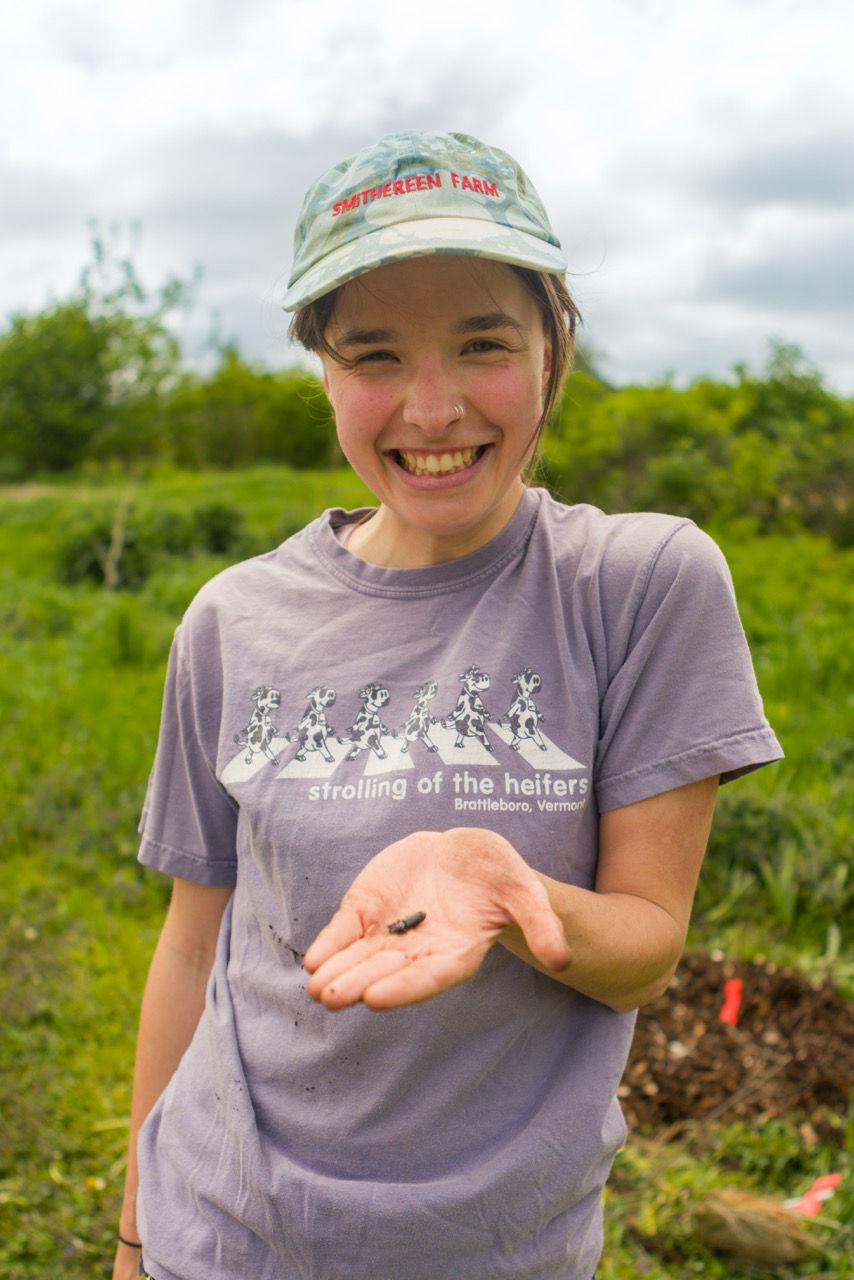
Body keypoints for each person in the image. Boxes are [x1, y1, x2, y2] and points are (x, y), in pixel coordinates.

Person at [114, 131, 783, 1280]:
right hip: (217, 1233)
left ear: (550, 348)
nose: (431, 409)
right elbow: (190, 951)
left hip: (491, 1251)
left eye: (482, 343)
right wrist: (133, 1238)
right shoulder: (230, 619)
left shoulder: (638, 586)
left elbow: (643, 947)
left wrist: (506, 892)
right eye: (374, 354)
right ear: (323, 369)